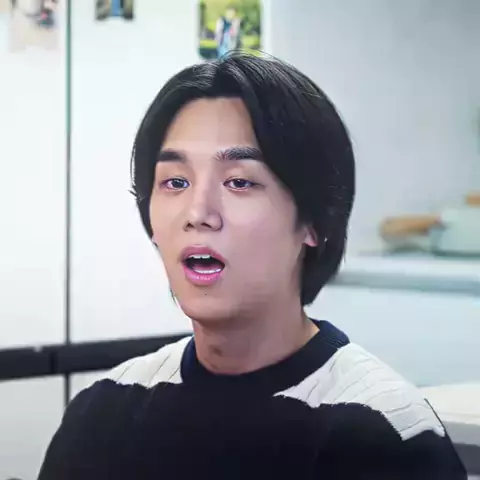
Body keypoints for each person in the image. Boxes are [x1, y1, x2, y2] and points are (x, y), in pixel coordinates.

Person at [37, 53, 467, 479]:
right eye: (175, 182)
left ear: (314, 222)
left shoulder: (381, 432)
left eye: (239, 182)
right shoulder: (105, 412)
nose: (198, 213)